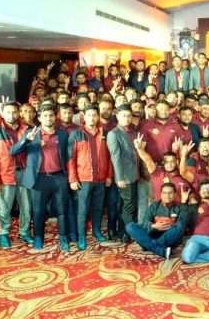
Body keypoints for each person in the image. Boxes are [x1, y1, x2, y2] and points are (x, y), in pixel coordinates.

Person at [10, 105, 71, 251]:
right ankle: (38, 237)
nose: (48, 118)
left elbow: (68, 156)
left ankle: (63, 237)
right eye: (45, 116)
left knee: (62, 210)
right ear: (39, 117)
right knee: (38, 211)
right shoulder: (31, 133)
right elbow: (12, 152)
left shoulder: (63, 134)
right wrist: (26, 141)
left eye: (51, 115)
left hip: (59, 177)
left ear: (55, 117)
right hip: (38, 179)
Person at [67, 105, 113, 250]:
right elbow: (70, 159)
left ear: (98, 116)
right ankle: (82, 236)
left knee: (98, 208)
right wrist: (73, 179)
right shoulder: (76, 134)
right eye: (89, 115)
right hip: (84, 179)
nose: (92, 118)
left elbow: (110, 157)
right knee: (83, 210)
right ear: (84, 117)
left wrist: (109, 176)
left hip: (101, 178)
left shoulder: (105, 133)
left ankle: (96, 230)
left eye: (94, 115)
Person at [0, 101, 30, 248]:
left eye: (14, 112)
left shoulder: (27, 130)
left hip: (24, 173)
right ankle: (4, 233)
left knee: (26, 206)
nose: (11, 115)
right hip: (5, 175)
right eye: (8, 112)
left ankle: (24, 232)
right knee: (4, 208)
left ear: (19, 113)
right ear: (2, 114)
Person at [106, 105, 140, 242]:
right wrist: (119, 177)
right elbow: (115, 157)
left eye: (129, 115)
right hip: (124, 176)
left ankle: (123, 232)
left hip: (135, 174)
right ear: (118, 117)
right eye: (123, 116)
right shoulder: (113, 134)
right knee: (128, 205)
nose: (127, 118)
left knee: (129, 205)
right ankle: (126, 232)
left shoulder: (133, 131)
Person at [130, 183, 190, 259]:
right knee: (130, 226)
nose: (167, 195)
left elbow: (182, 224)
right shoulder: (154, 206)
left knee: (178, 229)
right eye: (164, 193)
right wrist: (154, 226)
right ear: (161, 195)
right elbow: (145, 222)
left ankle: (147, 245)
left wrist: (184, 202)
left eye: (170, 193)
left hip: (169, 237)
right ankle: (160, 250)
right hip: (153, 234)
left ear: (175, 194)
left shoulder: (179, 207)